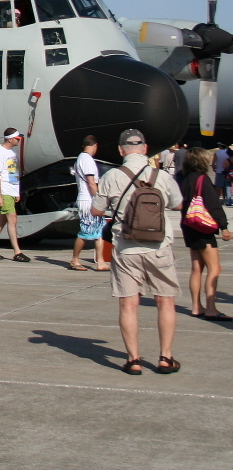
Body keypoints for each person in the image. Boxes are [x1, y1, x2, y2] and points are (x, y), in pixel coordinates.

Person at [92, 128, 184, 375]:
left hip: (126, 248)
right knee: (165, 302)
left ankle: (133, 360)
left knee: (128, 305)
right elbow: (178, 203)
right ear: (145, 148)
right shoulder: (161, 175)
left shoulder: (112, 176)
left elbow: (96, 210)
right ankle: (165, 357)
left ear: (121, 150)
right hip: (159, 246)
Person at [177, 147, 232, 320]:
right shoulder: (203, 179)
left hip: (188, 225)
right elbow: (213, 205)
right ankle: (210, 307)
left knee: (196, 268)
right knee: (214, 268)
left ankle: (196, 306)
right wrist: (224, 227)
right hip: (203, 228)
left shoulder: (183, 179)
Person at [0, 128, 29, 262]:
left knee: (1, 221)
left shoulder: (11, 152)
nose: (18, 141)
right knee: (12, 220)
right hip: (5, 191)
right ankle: (17, 251)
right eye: (17, 139)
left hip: (11, 191)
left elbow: (13, 173)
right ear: (10, 139)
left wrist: (16, 191)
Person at [69, 135, 108, 271]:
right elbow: (91, 183)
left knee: (99, 231)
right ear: (95, 145)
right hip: (88, 200)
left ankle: (101, 261)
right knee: (86, 231)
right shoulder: (87, 160)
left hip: (87, 198)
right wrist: (99, 200)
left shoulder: (81, 158)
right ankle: (75, 259)